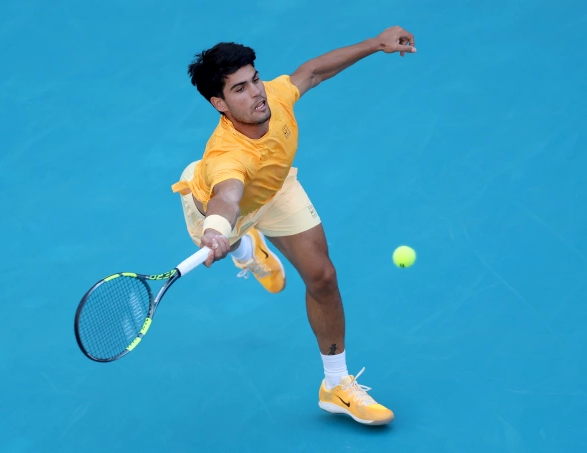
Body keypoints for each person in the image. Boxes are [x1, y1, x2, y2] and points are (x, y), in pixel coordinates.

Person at [172, 26, 416, 426]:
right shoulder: (226, 158)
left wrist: (376, 43)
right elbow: (227, 197)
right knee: (230, 239)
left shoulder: (274, 96)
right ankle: (245, 248)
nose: (257, 93)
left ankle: (336, 386)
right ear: (219, 103)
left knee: (323, 277)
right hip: (222, 210)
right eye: (240, 89)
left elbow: (313, 71)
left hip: (274, 188)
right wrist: (216, 231)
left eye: (255, 80)